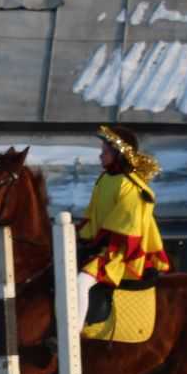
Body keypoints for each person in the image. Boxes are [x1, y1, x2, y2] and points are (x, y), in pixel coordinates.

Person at [76, 124, 169, 338]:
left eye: (105, 152)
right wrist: (81, 236)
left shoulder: (131, 185)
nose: (100, 156)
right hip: (99, 245)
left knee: (81, 281)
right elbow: (93, 215)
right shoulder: (104, 179)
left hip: (117, 251)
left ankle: (74, 332)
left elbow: (128, 225)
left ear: (119, 154)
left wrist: (100, 244)